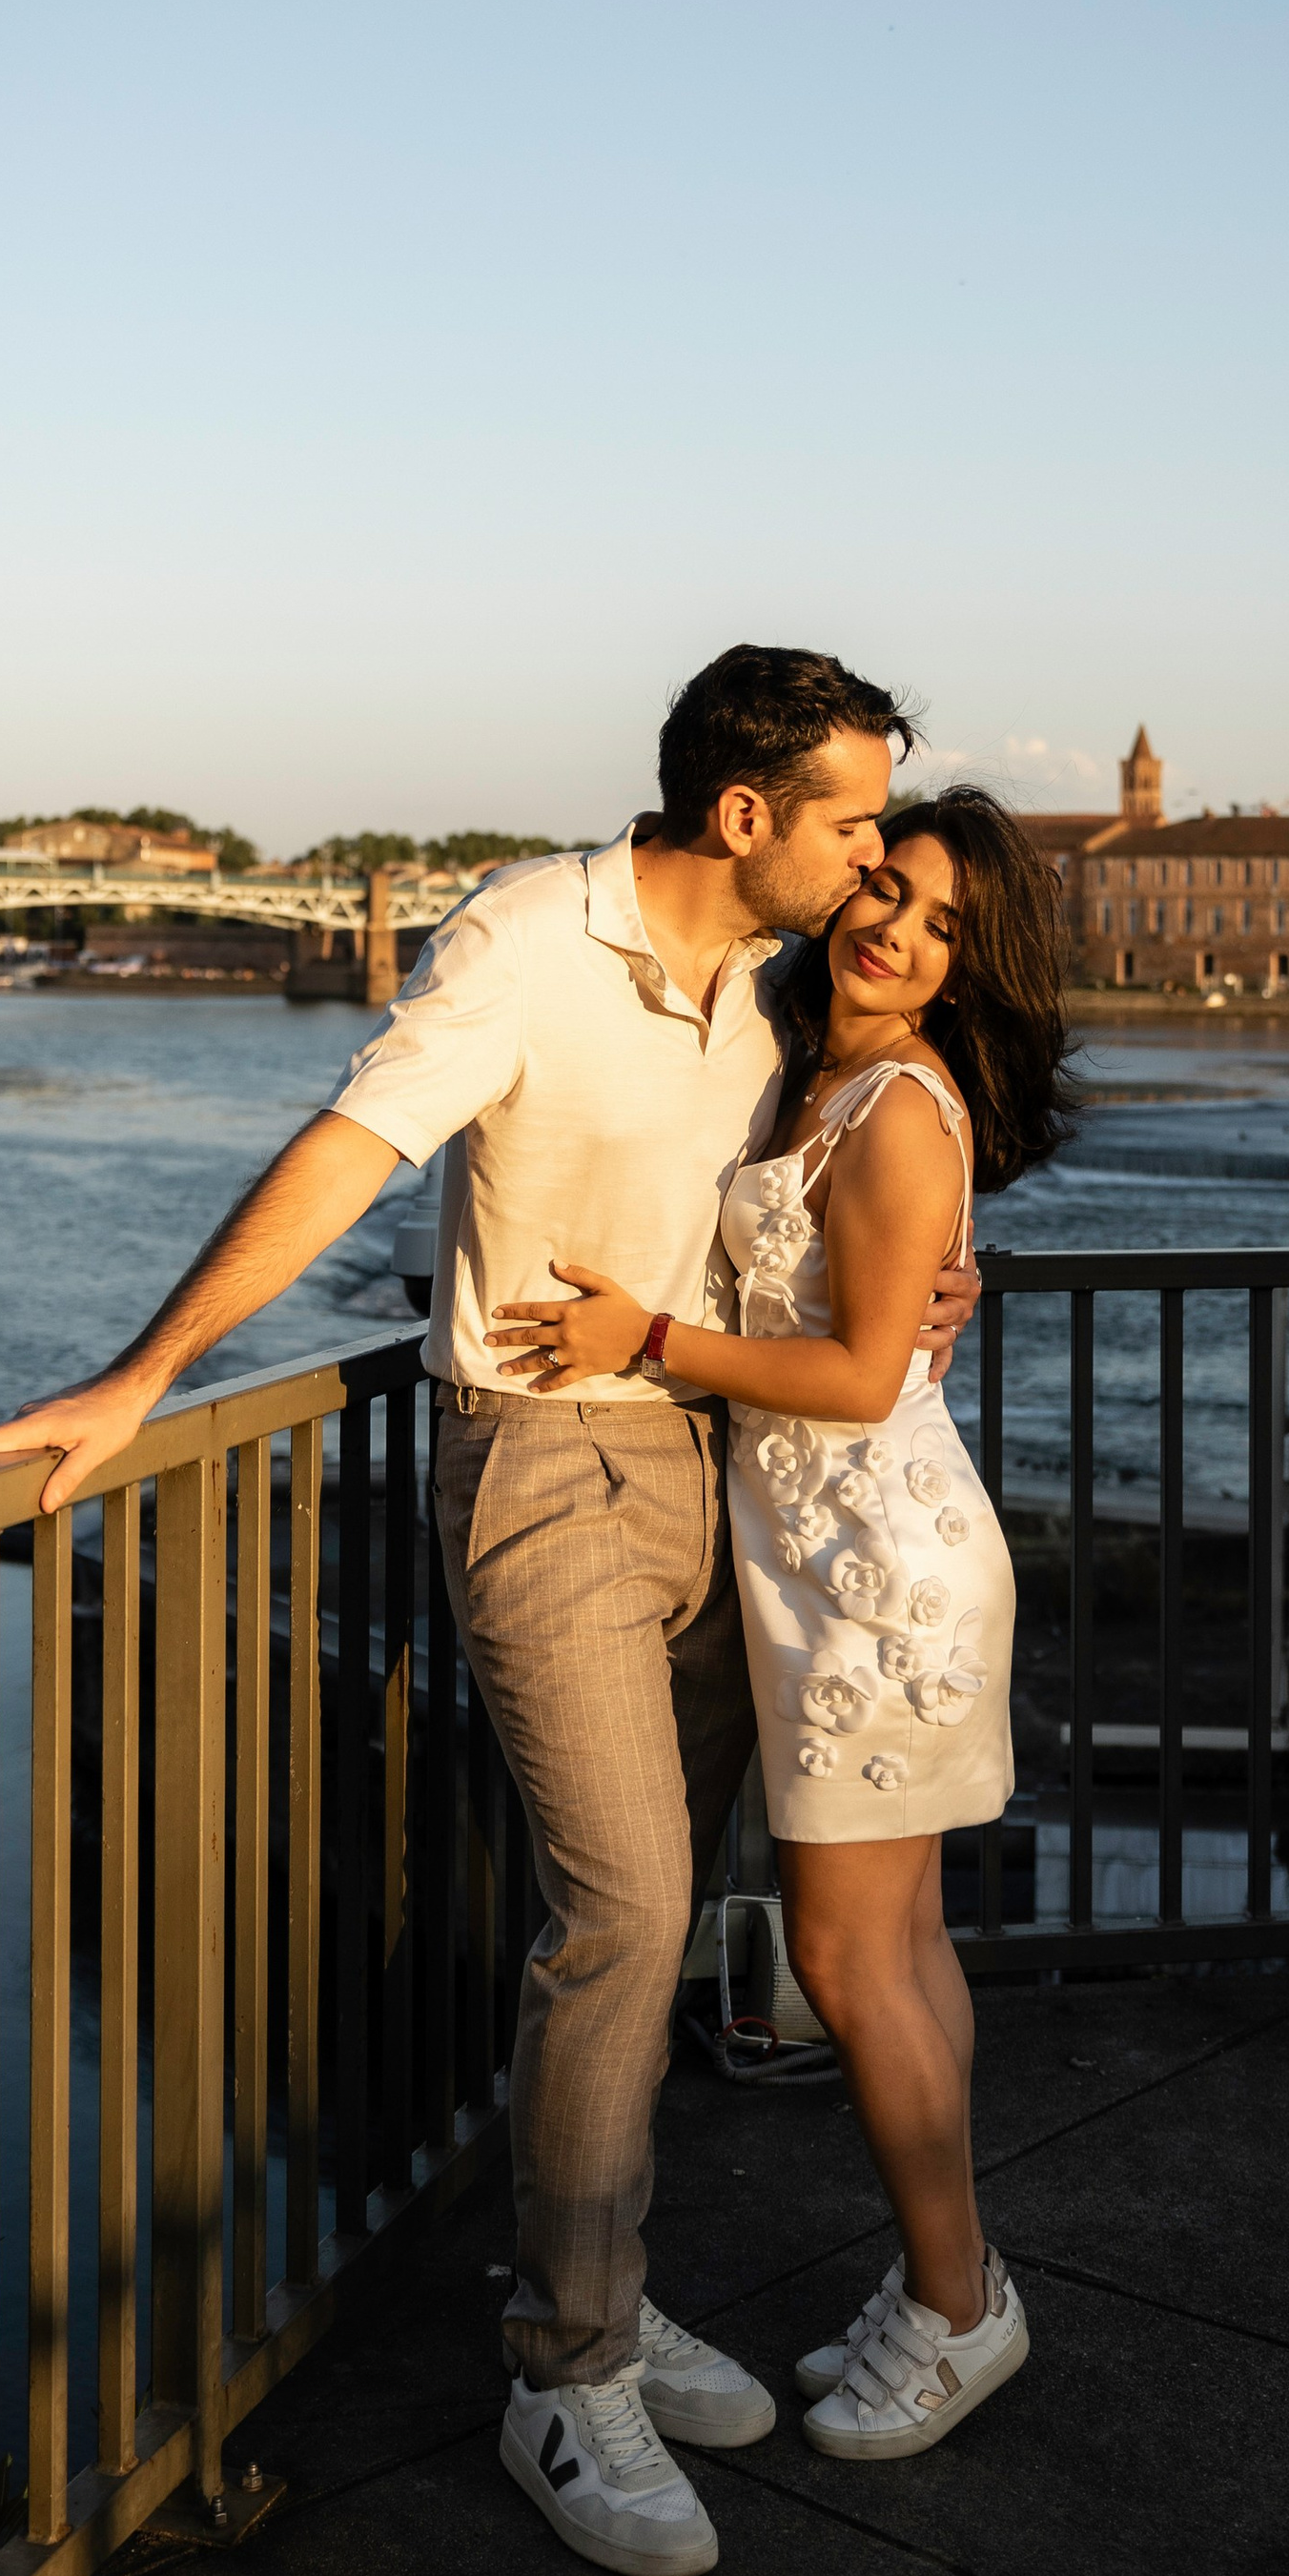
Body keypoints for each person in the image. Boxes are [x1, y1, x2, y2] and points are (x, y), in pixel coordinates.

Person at [0, 646, 980, 2576]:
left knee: (639, 1913)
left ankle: (594, 2279)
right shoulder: (523, 940)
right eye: (851, 820)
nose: (871, 863)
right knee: (624, 1914)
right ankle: (560, 2371)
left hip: (711, 1467)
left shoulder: (769, 982)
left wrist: (946, 1282)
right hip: (539, 1470)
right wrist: (137, 1375)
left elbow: (864, 1167)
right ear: (744, 813)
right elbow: (343, 1158)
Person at [496, 785, 1070, 2463]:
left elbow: (858, 1369)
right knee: (903, 1948)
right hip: (837, 1556)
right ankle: (950, 2288)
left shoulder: (894, 1102)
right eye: (884, 885)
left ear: (971, 967)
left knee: (838, 1955)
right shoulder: (807, 1059)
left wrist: (651, 1336)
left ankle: (961, 2310)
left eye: (941, 921)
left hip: (870, 1573)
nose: (893, 925)